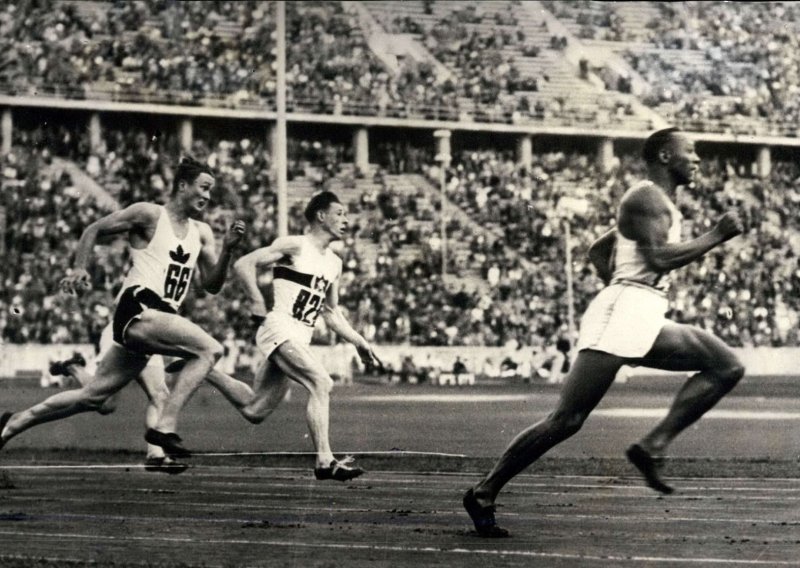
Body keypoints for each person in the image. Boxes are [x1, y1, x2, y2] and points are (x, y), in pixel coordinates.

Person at [462, 127, 745, 537]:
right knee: (567, 419)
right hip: (628, 308)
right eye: (691, 151)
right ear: (666, 156)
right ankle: (484, 491)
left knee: (726, 366)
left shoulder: (658, 203)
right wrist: (716, 235)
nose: (698, 159)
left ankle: (652, 446)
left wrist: (620, 285)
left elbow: (598, 251)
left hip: (640, 307)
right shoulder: (645, 197)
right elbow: (658, 258)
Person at [0, 157, 247, 459]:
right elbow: (94, 229)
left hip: (158, 319)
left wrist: (228, 252)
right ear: (182, 186)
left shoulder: (203, 232)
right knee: (210, 350)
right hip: (138, 307)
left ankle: (12, 424)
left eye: (211, 191)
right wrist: (80, 267)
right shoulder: (150, 214)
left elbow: (212, 285)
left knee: (93, 397)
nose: (208, 196)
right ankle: (165, 427)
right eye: (204, 188)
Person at [232, 191, 383, 481]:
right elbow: (243, 264)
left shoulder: (334, 264)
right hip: (279, 327)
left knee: (255, 409)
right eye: (339, 213)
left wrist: (360, 342)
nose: (346, 220)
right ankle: (324, 460)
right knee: (321, 382)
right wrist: (255, 299)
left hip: (298, 338)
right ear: (320, 216)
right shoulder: (294, 246)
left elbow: (330, 313)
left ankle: (205, 370)